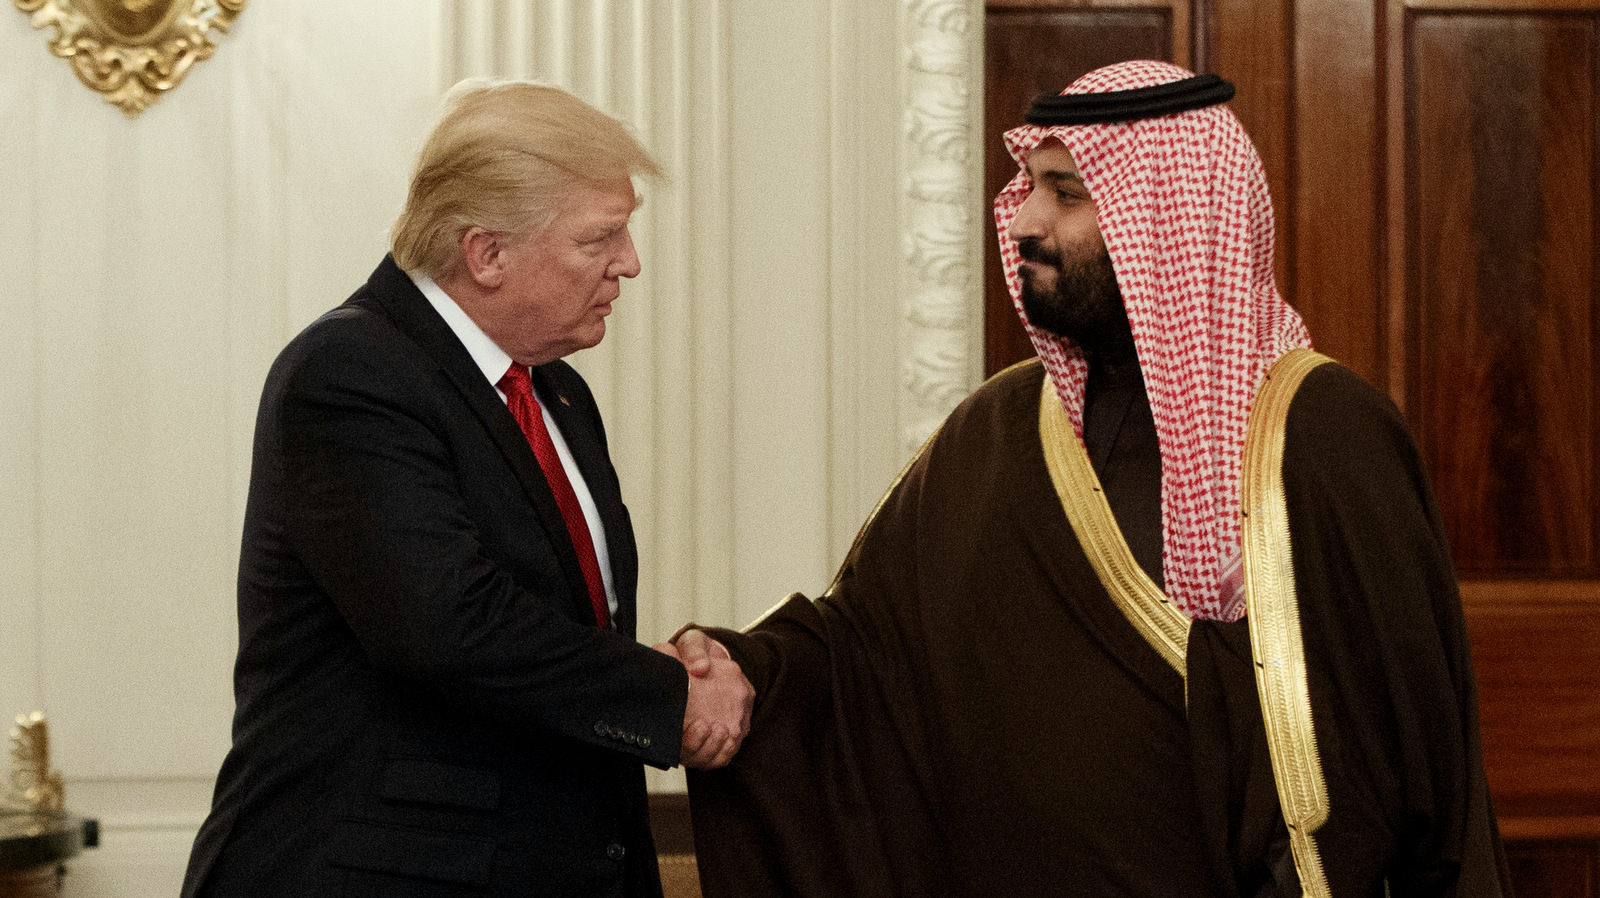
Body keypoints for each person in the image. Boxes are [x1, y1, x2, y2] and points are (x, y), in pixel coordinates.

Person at [673, 61, 1511, 897]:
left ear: (1170, 221)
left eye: (1065, 193)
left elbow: (1411, 751)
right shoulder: (996, 429)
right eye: (1029, 187)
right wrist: (745, 671)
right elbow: (864, 655)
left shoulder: (1326, 435)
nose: (1026, 221)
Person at [181, 80, 752, 898]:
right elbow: (451, 624)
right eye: (603, 237)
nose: (630, 262)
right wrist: (667, 694)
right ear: (486, 252)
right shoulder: (349, 374)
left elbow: (557, 626)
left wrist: (673, 663)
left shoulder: (554, 390)